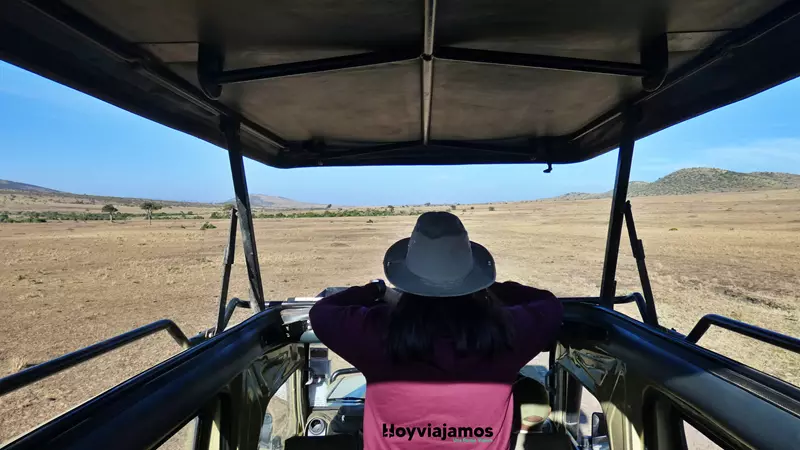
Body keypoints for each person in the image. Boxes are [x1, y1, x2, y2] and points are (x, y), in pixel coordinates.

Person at [309, 211, 563, 449]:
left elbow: (322, 313)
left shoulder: (377, 331)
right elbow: (549, 306)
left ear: (407, 279)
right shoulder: (505, 331)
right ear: (472, 278)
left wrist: (376, 289)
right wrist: (486, 287)